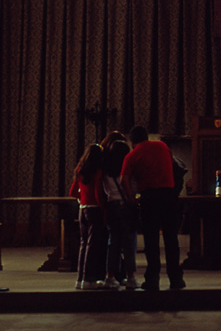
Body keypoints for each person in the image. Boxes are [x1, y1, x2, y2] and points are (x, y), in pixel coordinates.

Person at [121, 125, 185, 292]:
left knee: (151, 241)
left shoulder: (132, 155)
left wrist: (130, 199)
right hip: (169, 196)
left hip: (149, 198)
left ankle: (153, 279)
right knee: (171, 239)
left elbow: (124, 180)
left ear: (132, 140)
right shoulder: (162, 146)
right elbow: (173, 165)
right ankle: (176, 279)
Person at [100, 133, 138, 289]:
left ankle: (110, 276)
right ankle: (130, 277)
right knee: (129, 243)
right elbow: (133, 188)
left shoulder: (105, 171)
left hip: (112, 205)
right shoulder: (128, 171)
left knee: (113, 243)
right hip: (126, 206)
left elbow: (105, 190)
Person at [69, 142, 107, 289]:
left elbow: (72, 191)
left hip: (82, 209)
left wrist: (81, 199)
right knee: (93, 245)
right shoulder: (97, 171)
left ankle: (80, 279)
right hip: (94, 210)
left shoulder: (80, 169)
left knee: (83, 244)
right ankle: (89, 279)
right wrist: (104, 211)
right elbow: (98, 193)